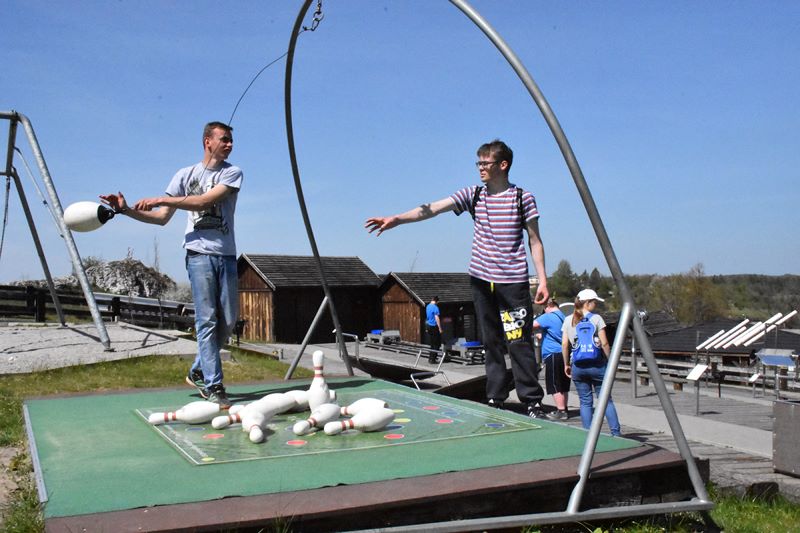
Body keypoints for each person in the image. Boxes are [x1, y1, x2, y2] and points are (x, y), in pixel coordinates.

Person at [365, 139, 548, 418]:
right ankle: (496, 397)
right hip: (481, 279)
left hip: (512, 281)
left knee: (517, 340)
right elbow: (433, 208)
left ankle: (532, 400)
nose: (480, 168)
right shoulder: (473, 195)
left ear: (503, 165)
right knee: (491, 341)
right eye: (478, 163)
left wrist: (543, 280)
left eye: (485, 163)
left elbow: (535, 241)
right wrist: (397, 219)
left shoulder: (523, 198)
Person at [100, 121, 243, 408]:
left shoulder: (232, 172)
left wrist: (160, 198)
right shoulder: (184, 175)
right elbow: (161, 218)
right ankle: (214, 385)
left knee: (228, 321)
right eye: (224, 139)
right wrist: (126, 210)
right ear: (207, 141)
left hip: (226, 255)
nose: (229, 144)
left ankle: (198, 370)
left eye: (231, 140)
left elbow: (204, 202)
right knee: (207, 319)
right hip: (198, 254)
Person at [561, 288, 621, 436]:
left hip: (578, 366)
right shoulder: (596, 319)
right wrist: (611, 361)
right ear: (587, 303)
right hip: (597, 365)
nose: (596, 305)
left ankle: (588, 435)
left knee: (585, 401)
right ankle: (616, 433)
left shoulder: (568, 320)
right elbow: (605, 343)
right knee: (606, 400)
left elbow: (564, 344)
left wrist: (566, 364)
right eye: (594, 302)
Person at [533, 298, 569, 420]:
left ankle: (561, 411)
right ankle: (564, 408)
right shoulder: (562, 317)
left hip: (553, 354)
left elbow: (530, 325)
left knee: (554, 384)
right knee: (563, 384)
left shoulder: (548, 316)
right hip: (563, 354)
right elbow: (555, 333)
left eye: (544, 308)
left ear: (548, 306)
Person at [425, 296, 443, 364]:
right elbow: (437, 318)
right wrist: (440, 328)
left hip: (429, 325)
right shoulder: (435, 307)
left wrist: (426, 328)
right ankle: (433, 359)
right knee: (436, 344)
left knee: (432, 343)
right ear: (436, 301)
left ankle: (430, 358)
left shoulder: (428, 306)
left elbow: (427, 317)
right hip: (434, 326)